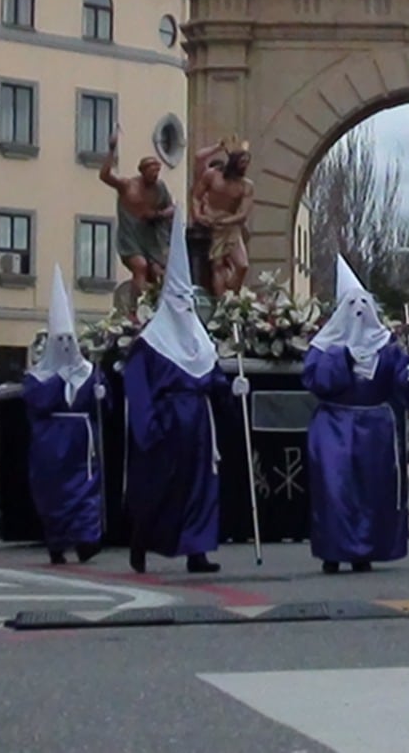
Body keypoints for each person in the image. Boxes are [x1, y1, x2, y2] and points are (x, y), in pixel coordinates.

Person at [124, 206, 247, 574]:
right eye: (177, 304)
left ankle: (198, 550)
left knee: (200, 488)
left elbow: (212, 379)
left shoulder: (200, 342)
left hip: (198, 424)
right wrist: (149, 430)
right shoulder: (148, 346)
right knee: (160, 490)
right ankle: (142, 542)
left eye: (187, 304)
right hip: (165, 425)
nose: (184, 311)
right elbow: (138, 389)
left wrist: (230, 389)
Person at [302, 257, 409, 572]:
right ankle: (333, 549)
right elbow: (317, 381)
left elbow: (400, 388)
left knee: (372, 490)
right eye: (351, 304)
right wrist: (345, 358)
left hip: (374, 428)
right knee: (335, 489)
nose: (358, 311)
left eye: (363, 303)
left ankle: (365, 550)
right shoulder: (325, 347)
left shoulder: (388, 348)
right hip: (334, 426)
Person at [23, 266, 105, 565]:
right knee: (53, 494)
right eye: (61, 342)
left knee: (86, 490)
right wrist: (60, 379)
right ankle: (57, 542)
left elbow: (98, 405)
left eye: (70, 340)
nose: (67, 347)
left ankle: (86, 539)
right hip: (51, 443)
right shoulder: (39, 377)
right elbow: (38, 402)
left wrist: (100, 391)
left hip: (81, 442)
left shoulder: (88, 372)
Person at [100, 131, 174, 298]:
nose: (155, 175)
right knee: (140, 266)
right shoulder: (128, 185)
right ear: (143, 171)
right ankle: (136, 308)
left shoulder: (159, 188)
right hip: (130, 237)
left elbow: (172, 208)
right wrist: (111, 150)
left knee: (158, 273)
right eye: (152, 172)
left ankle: (151, 305)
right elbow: (105, 176)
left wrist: (159, 214)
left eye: (157, 172)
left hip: (151, 237)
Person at [195, 138, 255, 295]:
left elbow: (243, 214)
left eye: (247, 162)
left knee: (242, 265)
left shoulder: (246, 185)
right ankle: (222, 300)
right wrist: (198, 214)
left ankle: (232, 293)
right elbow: (196, 196)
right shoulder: (212, 176)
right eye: (242, 161)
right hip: (212, 222)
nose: (245, 166)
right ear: (234, 161)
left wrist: (225, 221)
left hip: (230, 225)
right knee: (218, 264)